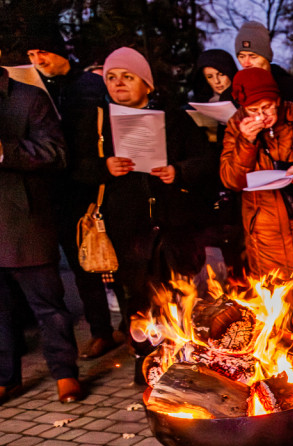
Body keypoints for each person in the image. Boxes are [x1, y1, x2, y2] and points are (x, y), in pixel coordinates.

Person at [81, 47, 215, 383]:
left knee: (180, 294)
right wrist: (104, 167)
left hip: (173, 225)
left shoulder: (173, 119)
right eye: (111, 78)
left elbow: (205, 160)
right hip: (128, 226)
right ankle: (148, 363)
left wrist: (178, 171)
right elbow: (74, 168)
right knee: (137, 296)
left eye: (127, 76)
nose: (118, 83)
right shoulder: (98, 123)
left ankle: (186, 360)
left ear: (147, 84)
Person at [25, 24, 119, 360]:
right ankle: (101, 330)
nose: (39, 60)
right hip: (59, 188)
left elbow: (105, 129)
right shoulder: (35, 88)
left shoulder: (90, 84)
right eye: (32, 55)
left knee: (112, 257)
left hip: (96, 183)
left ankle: (134, 323)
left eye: (43, 52)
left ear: (58, 51)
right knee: (82, 266)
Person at [220, 67, 293, 329]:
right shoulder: (235, 127)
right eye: (253, 110)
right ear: (242, 108)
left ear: (278, 100)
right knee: (274, 307)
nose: (262, 116)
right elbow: (230, 179)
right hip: (264, 232)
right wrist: (247, 142)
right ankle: (285, 366)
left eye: (267, 107)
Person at [0, 49, 82, 405]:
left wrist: (5, 151)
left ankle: (65, 374)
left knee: (48, 306)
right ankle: (6, 378)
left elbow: (56, 153)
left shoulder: (28, 97)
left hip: (25, 220)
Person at [191, 49, 246, 280]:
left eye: (221, 74)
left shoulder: (241, 98)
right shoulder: (201, 102)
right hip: (212, 181)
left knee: (240, 240)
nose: (217, 81)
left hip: (238, 175)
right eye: (210, 77)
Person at [235, 21, 293, 114]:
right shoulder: (236, 92)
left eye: (253, 56)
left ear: (267, 57)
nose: (246, 63)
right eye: (241, 57)